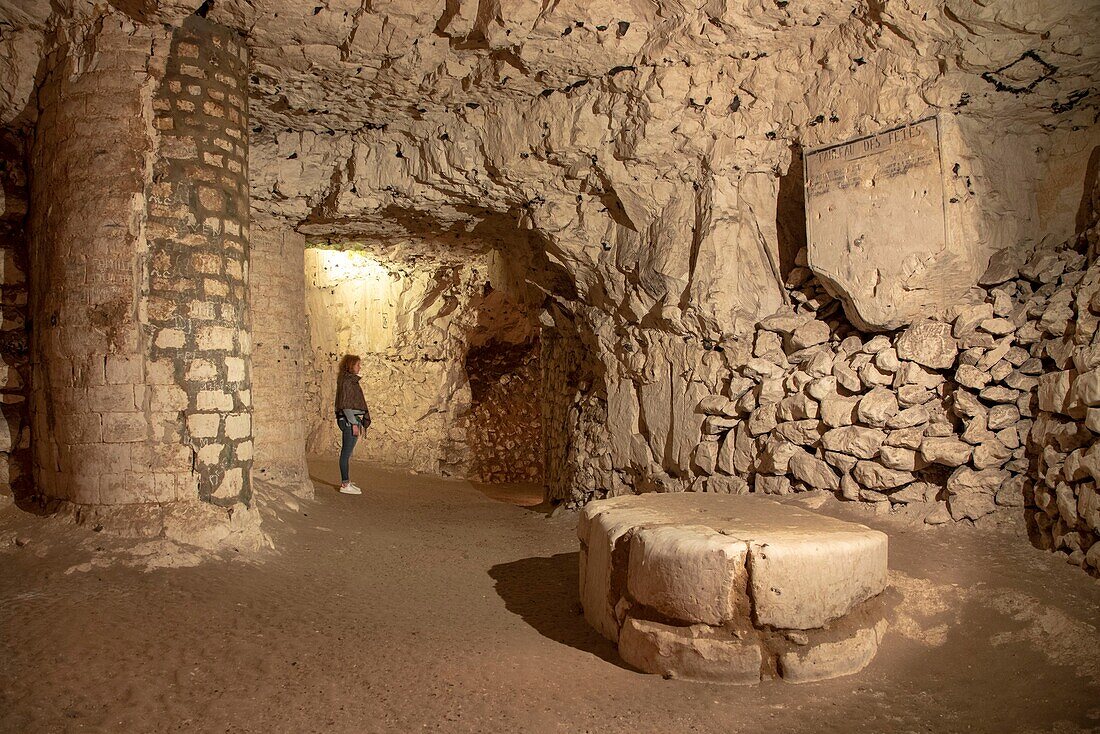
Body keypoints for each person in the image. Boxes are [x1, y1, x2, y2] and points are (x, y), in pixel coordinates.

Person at [334, 354, 371, 494]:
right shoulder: (348, 382)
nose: (359, 367)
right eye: (357, 364)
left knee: (347, 453)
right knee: (346, 453)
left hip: (351, 420)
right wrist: (354, 423)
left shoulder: (347, 380)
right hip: (349, 421)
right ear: (350, 365)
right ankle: (345, 484)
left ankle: (347, 481)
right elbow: (346, 405)